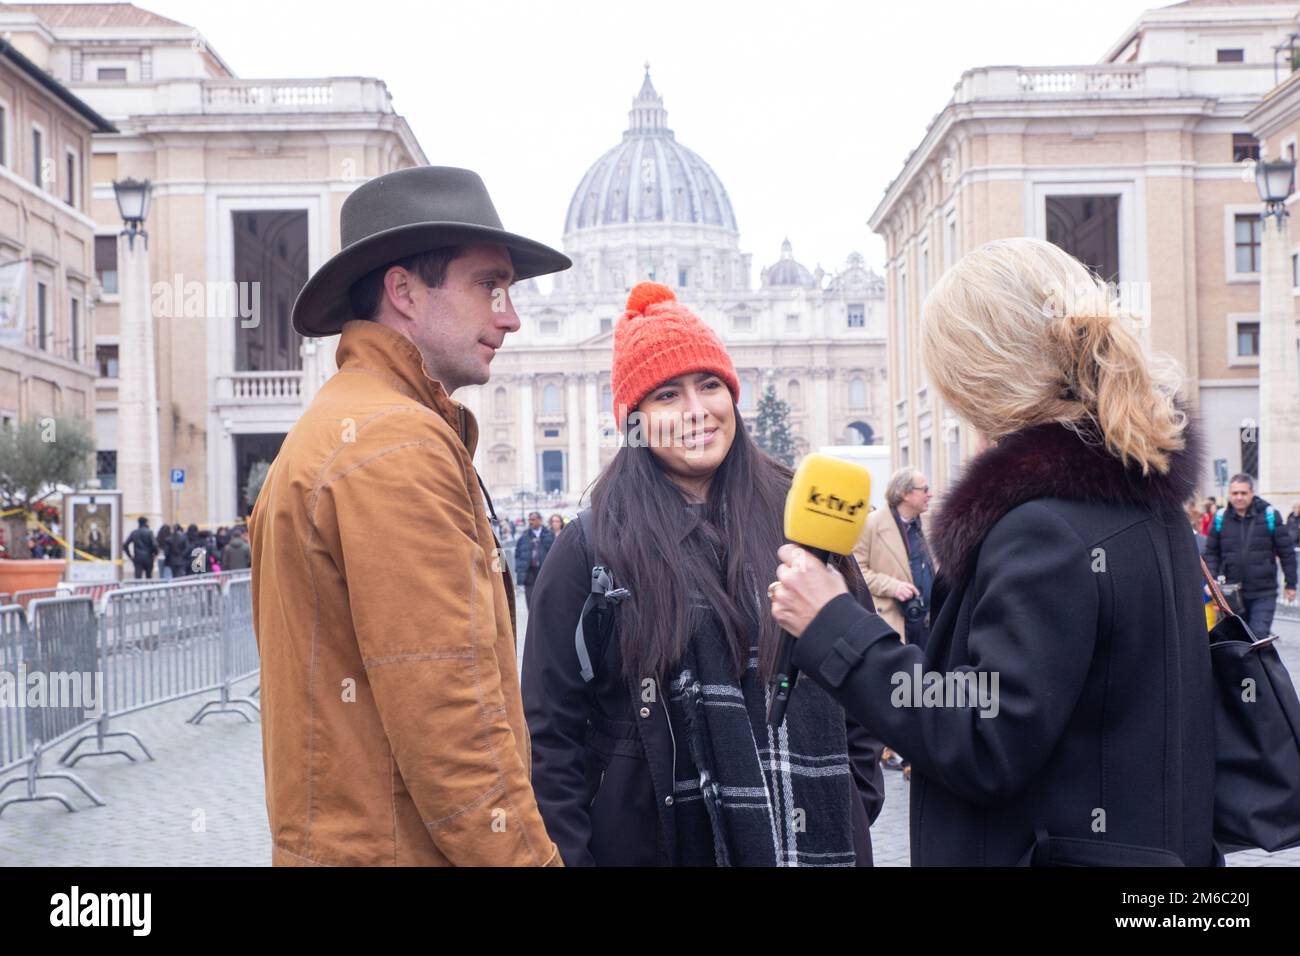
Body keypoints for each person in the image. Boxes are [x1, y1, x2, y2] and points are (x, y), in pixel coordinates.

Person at [769, 237, 1218, 866]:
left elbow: (984, 731)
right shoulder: (1142, 496)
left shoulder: (1043, 528)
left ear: (975, 372)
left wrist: (838, 629)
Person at [249, 166, 569, 867]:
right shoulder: (394, 444)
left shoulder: (348, 423)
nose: (510, 315)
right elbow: (451, 718)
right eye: (489, 284)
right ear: (403, 292)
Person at [523, 282, 885, 867]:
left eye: (710, 385)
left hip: (811, 838)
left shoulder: (803, 516)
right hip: (661, 842)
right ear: (634, 419)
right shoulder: (588, 546)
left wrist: (848, 798)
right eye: (666, 394)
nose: (697, 412)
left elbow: (859, 661)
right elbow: (552, 730)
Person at [851, 467, 933, 775]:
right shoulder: (872, 524)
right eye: (924, 489)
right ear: (904, 494)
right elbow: (858, 569)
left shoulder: (927, 525)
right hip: (893, 619)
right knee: (898, 685)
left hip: (925, 620)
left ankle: (914, 752)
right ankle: (896, 749)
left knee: (924, 684)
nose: (930, 494)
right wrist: (893, 586)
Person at [1204, 473, 1297, 637]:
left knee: (1258, 638)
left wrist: (1290, 584)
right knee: (1238, 641)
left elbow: (1286, 552)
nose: (1239, 497)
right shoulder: (1220, 518)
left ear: (1252, 493)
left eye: (1243, 493)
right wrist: (1211, 581)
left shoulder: (1270, 516)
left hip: (1264, 592)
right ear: (1229, 494)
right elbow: (1211, 553)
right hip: (1231, 593)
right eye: (1235, 493)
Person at [514, 511, 554, 611]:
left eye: (533, 519)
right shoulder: (524, 537)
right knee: (530, 600)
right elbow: (518, 554)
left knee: (545, 599)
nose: (530, 522)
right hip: (529, 573)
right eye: (529, 520)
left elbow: (554, 554)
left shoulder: (549, 535)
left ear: (540, 520)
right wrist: (520, 570)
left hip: (544, 572)